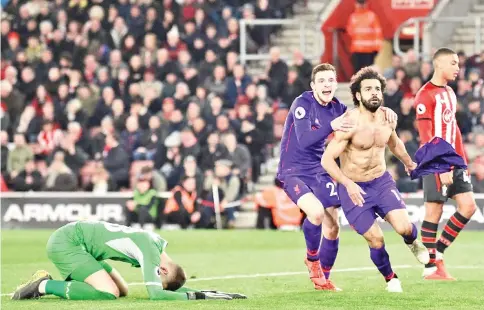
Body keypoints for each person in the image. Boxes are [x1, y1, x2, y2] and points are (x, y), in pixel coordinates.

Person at [276, 63, 397, 291]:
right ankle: (312, 260)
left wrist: (385, 112)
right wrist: (331, 125)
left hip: (318, 171)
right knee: (316, 213)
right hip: (293, 170)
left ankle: (324, 279)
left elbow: (363, 114)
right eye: (321, 81)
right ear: (313, 86)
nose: (327, 85)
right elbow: (304, 140)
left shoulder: (338, 108)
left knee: (332, 226)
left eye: (330, 80)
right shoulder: (303, 104)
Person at [321, 67, 429, 293]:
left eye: (377, 89)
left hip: (381, 182)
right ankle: (391, 278)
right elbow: (327, 160)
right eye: (368, 89)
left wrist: (409, 163)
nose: (374, 93)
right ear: (358, 95)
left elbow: (394, 143)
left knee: (404, 227)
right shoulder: (348, 123)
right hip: (354, 189)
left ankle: (413, 242)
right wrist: (347, 183)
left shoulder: (387, 118)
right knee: (376, 239)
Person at [11, 221, 246, 301]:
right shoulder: (152, 255)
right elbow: (156, 295)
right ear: (162, 269)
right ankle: (43, 285)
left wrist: (209, 292)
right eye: (158, 278)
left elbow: (171, 285)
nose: (154, 278)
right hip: (68, 243)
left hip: (82, 244)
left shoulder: (158, 245)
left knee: (121, 291)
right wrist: (198, 296)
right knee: (108, 293)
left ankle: (59, 283)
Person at [413, 47, 477, 280]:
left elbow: (454, 129)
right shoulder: (424, 95)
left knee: (468, 207)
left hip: (454, 161)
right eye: (453, 63)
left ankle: (437, 254)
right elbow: (426, 137)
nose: (458, 68)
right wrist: (441, 168)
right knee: (434, 210)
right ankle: (431, 268)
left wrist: (461, 161)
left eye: (458, 64)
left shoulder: (449, 92)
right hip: (435, 162)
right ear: (438, 64)